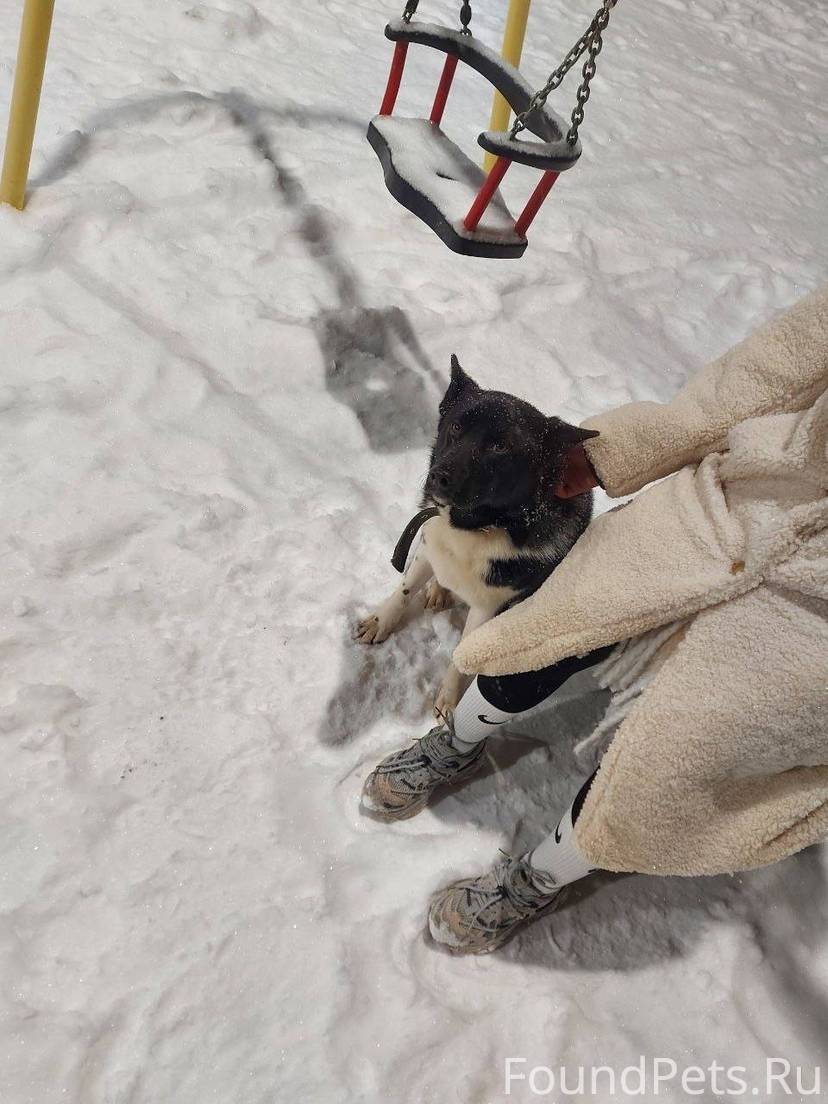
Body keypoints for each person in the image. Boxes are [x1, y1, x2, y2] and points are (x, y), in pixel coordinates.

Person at [361, 283, 828, 954]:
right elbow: (774, 366)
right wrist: (621, 448)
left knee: (683, 752)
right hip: (735, 506)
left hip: (816, 611)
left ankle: (543, 875)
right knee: (552, 621)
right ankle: (458, 740)